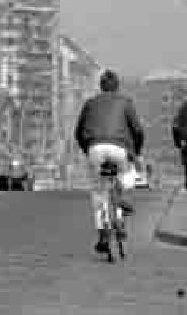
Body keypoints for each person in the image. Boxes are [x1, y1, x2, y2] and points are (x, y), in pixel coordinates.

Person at [75, 69, 144, 256]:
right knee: (125, 176)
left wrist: (87, 150)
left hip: (95, 148)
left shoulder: (90, 103)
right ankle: (121, 211)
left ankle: (103, 234)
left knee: (99, 192)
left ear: (101, 86)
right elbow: (137, 129)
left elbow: (79, 131)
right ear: (117, 86)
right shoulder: (126, 102)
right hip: (119, 148)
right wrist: (135, 151)